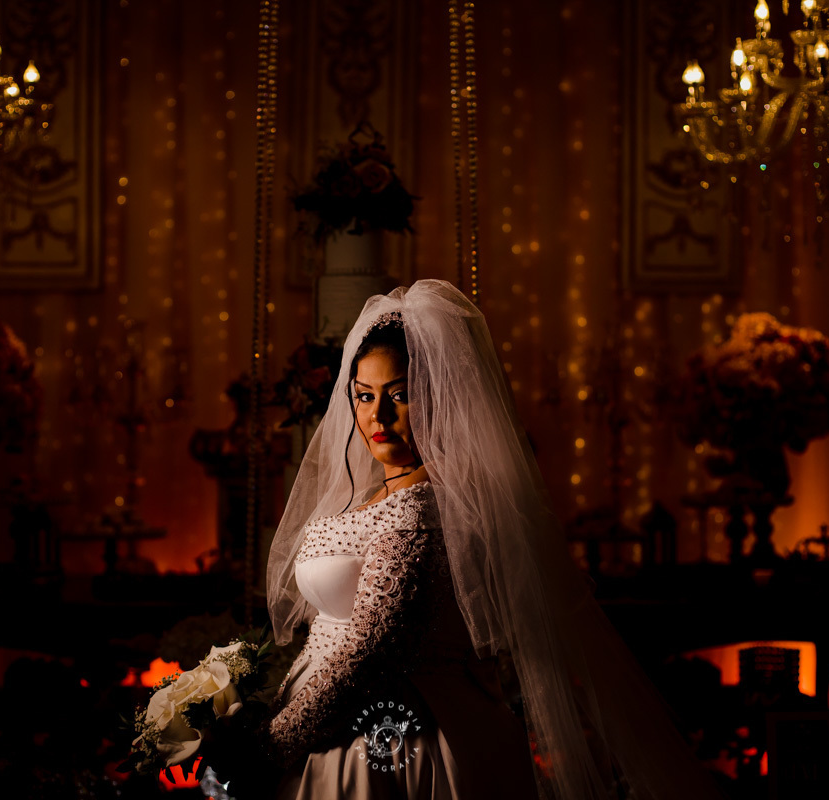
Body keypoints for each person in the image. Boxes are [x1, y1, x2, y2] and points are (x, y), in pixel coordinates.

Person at [213, 280, 721, 799]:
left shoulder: (425, 510)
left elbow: (370, 653)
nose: (377, 417)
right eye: (364, 396)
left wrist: (267, 748)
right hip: (328, 726)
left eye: (399, 395)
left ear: (437, 399)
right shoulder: (375, 496)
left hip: (389, 744)